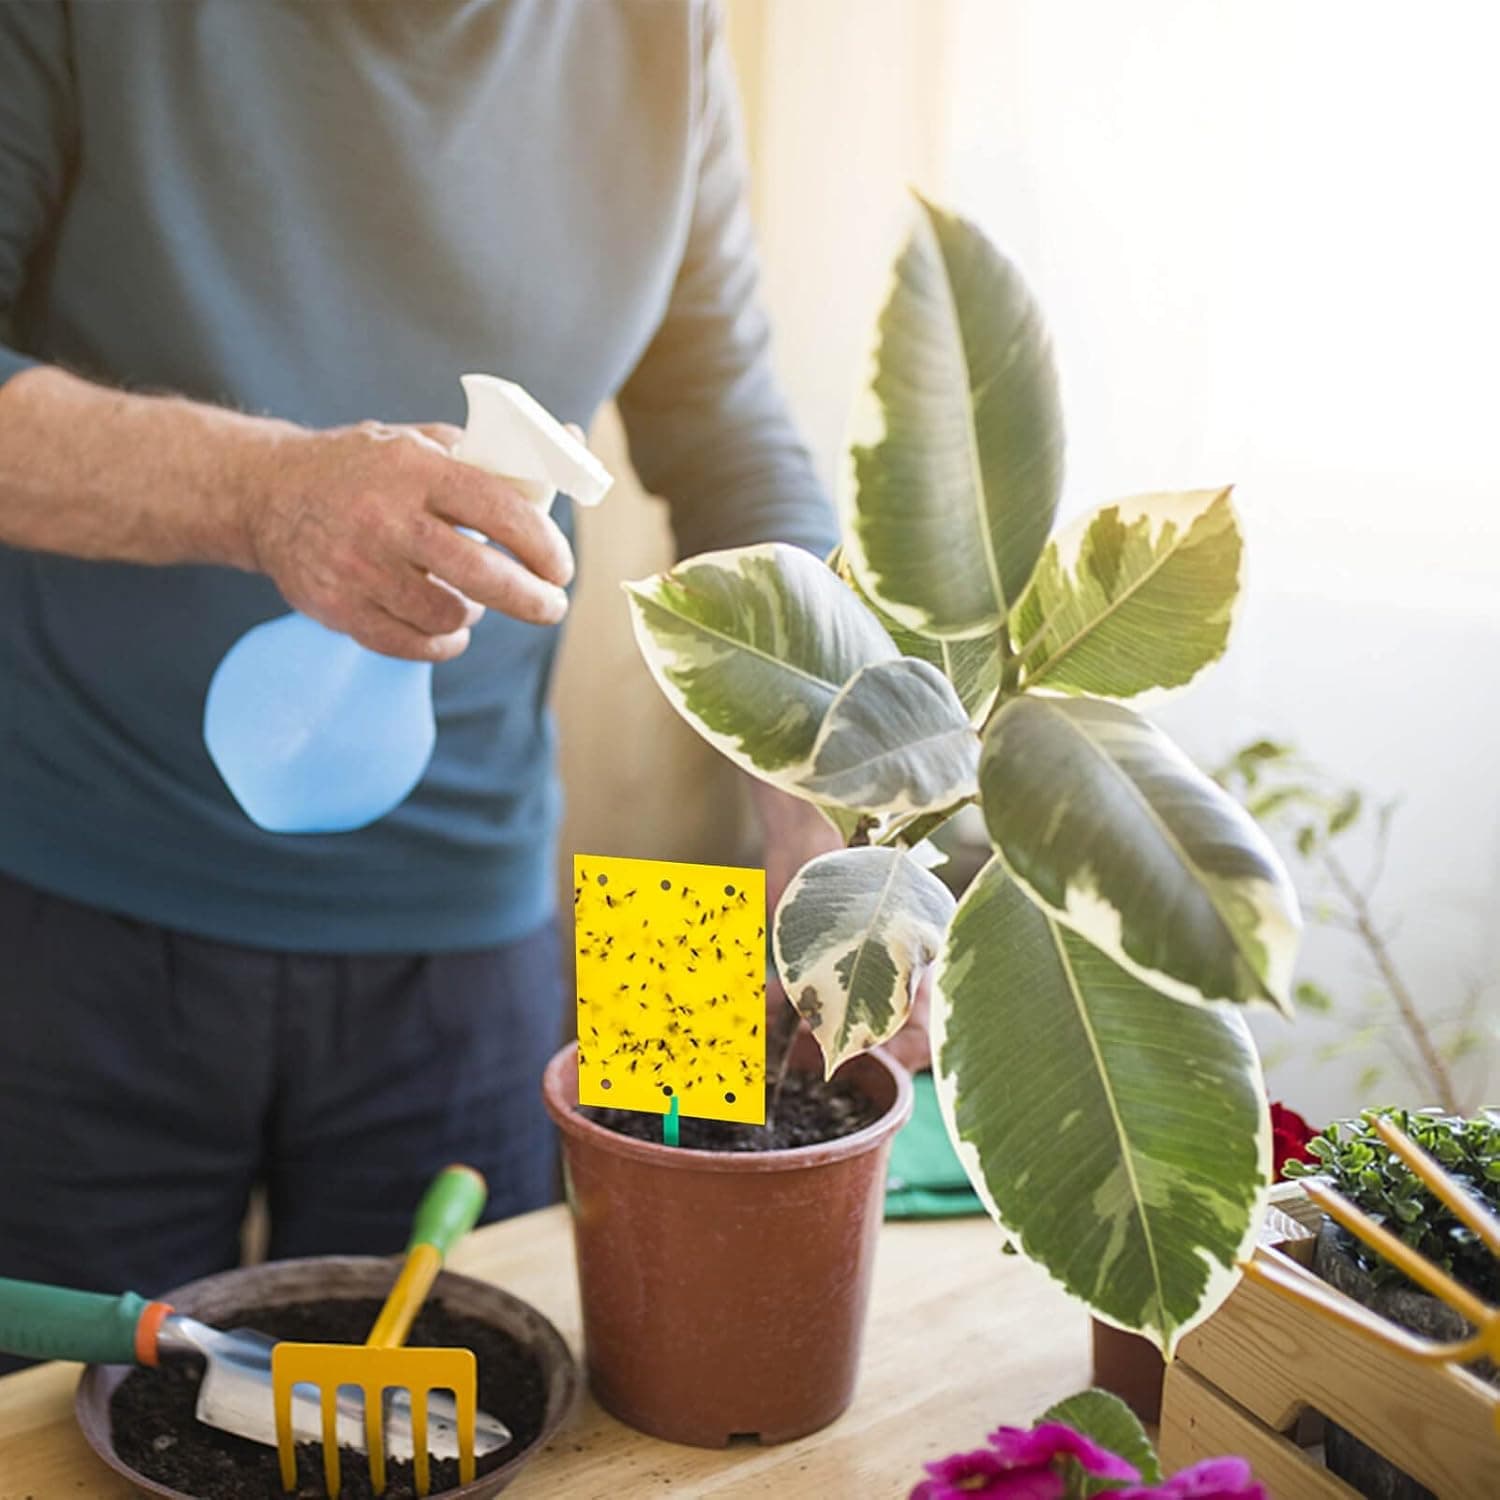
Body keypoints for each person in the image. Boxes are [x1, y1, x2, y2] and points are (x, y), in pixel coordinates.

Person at [0, 0, 850, 1340]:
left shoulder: (664, 28)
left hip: (475, 938)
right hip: (72, 915)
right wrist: (265, 493)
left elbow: (732, 431)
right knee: (71, 1436)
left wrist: (819, 802)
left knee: (465, 1425)